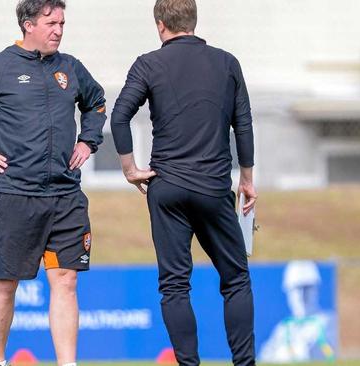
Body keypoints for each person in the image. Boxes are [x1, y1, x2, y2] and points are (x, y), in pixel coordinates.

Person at [0, 1, 106, 365]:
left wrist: (88, 141)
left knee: (66, 281)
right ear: (29, 25)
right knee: (6, 283)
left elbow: (97, 103)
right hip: (15, 195)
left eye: (62, 22)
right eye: (51, 23)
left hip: (65, 194)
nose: (59, 29)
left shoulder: (70, 68)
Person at [110, 0, 257, 365]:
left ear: (161, 25)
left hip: (167, 186)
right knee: (236, 278)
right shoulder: (227, 63)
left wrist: (130, 169)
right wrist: (248, 179)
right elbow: (244, 124)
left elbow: (119, 118)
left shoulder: (148, 63)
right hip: (213, 186)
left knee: (175, 285)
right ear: (194, 20)